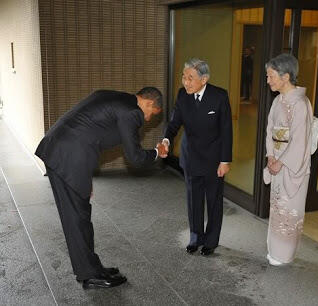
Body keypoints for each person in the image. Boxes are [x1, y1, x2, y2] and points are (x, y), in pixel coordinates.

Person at [35, 87, 164, 289]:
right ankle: (89, 275)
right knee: (76, 218)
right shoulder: (132, 112)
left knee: (80, 214)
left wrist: (85, 177)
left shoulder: (114, 96)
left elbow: (88, 130)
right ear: (149, 103)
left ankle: (92, 267)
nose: (146, 120)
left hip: (64, 152)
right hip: (68, 157)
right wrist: (157, 152)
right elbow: (136, 158)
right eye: (151, 115)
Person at [161, 58, 233, 256]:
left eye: (190, 78)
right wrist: (166, 139)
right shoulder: (183, 95)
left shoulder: (219, 96)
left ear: (204, 79)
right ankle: (196, 237)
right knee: (194, 200)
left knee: (214, 201)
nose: (185, 82)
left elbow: (226, 130)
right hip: (191, 156)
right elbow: (175, 122)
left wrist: (225, 161)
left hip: (213, 159)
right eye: (184, 77)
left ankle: (211, 241)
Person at [264, 53, 313, 266]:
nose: (268, 80)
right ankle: (275, 250)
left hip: (291, 166)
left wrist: (280, 161)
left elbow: (300, 140)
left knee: (288, 208)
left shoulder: (301, 103)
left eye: (271, 76)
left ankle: (284, 255)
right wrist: (270, 156)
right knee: (276, 207)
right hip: (277, 161)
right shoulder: (278, 100)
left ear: (285, 77)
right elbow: (270, 131)